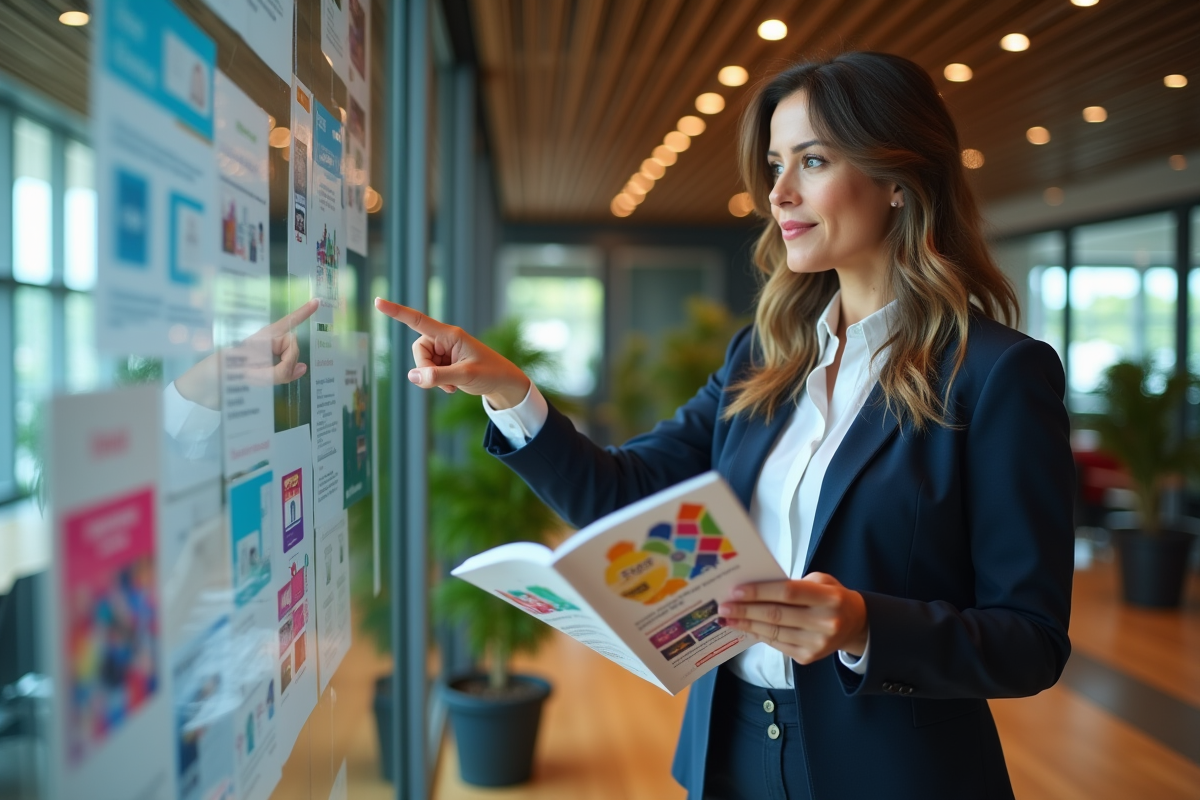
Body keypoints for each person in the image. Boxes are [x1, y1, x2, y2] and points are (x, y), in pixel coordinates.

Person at [376, 51, 1074, 800]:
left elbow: (1029, 640)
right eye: (776, 164)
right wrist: (511, 393)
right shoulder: (761, 358)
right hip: (730, 753)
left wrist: (864, 625)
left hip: (892, 772)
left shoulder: (996, 373)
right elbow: (624, 492)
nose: (778, 193)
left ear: (898, 179)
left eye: (812, 160)